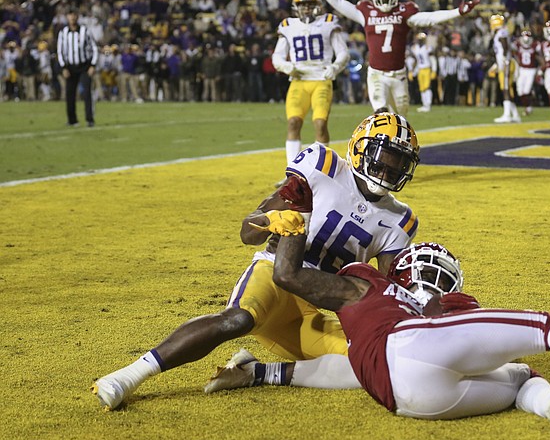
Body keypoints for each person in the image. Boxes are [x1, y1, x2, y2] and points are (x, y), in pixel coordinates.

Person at [206, 234, 550, 431]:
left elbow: (344, 370)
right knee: (545, 327)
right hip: (413, 349)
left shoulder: (366, 287)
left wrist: (263, 373)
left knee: (518, 377)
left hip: (403, 395)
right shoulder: (445, 301)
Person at [92, 112, 422, 411]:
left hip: (314, 307)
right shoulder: (324, 166)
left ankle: (255, 372)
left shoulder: (399, 219)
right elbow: (248, 230)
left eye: (397, 164)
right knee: (236, 320)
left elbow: (382, 293)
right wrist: (270, 221)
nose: (387, 169)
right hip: (274, 275)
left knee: (376, 360)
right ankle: (129, 376)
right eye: (382, 157)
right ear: (359, 147)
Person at [308, 0, 479, 116]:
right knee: (381, 115)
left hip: (398, 75)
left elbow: (428, 18)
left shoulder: (404, 12)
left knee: (400, 120)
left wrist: (457, 12)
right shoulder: (365, 12)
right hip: (376, 74)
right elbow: (338, 2)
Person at [272, 0, 350, 169]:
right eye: (303, 5)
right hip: (299, 80)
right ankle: (292, 172)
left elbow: (343, 53)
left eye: (310, 4)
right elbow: (277, 56)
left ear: (318, 5)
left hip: (321, 79)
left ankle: (322, 170)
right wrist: (286, 66)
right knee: (293, 122)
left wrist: (335, 67)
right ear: (296, 7)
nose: (306, 8)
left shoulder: (328, 22)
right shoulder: (288, 26)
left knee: (320, 124)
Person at [56, 8, 99, 127]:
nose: (72, 17)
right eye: (70, 15)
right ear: (67, 17)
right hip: (70, 67)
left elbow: (94, 48)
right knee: (69, 93)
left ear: (77, 17)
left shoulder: (85, 31)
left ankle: (90, 119)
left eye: (74, 15)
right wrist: (63, 67)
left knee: (87, 93)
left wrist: (92, 65)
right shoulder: (63, 33)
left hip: (84, 66)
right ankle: (72, 120)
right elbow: (60, 51)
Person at [490, 14, 521, 123]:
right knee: (506, 88)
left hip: (506, 63)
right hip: (505, 62)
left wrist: (504, 59)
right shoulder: (501, 32)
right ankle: (515, 115)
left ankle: (507, 115)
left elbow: (505, 46)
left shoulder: (501, 33)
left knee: (506, 89)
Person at [514, 30, 538, 116]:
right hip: (522, 69)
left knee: (526, 91)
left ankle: (530, 101)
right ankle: (528, 107)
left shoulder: (535, 45)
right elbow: (514, 52)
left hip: (531, 70)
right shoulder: (518, 44)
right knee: (520, 91)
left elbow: (539, 56)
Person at [409, 32, 434, 112]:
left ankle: (428, 104)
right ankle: (424, 104)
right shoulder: (415, 48)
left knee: (427, 87)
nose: (420, 41)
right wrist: (412, 70)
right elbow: (415, 60)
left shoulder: (427, 48)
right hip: (420, 69)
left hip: (426, 68)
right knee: (422, 88)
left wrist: (434, 70)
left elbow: (432, 58)